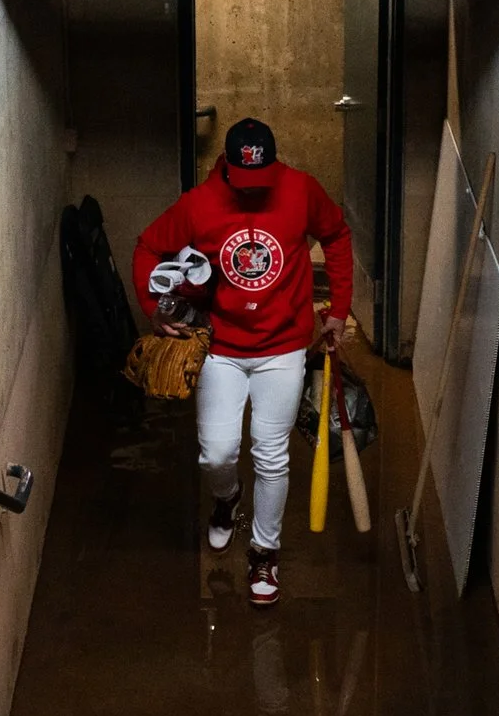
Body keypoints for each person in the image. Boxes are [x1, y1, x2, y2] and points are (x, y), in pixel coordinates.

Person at [132, 117, 353, 607]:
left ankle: (264, 552)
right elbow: (148, 246)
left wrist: (338, 311)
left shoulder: (301, 190)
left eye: (262, 181)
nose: (254, 192)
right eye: (244, 181)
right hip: (221, 347)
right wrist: (155, 310)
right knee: (216, 451)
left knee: (270, 453)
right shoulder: (199, 204)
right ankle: (227, 498)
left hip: (283, 346)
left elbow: (336, 236)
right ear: (227, 168)